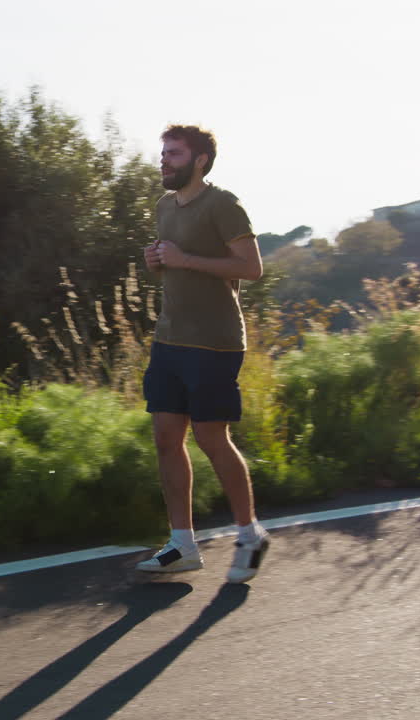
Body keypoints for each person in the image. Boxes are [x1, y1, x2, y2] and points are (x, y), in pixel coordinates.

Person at [136, 124, 269, 583]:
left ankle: (250, 536)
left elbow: (251, 268)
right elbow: (174, 265)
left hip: (215, 342)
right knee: (166, 439)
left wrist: (185, 259)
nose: (164, 161)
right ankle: (182, 544)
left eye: (173, 154)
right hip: (170, 338)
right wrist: (158, 263)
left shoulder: (223, 205)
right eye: (163, 153)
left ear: (200, 161)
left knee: (213, 439)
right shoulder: (164, 207)